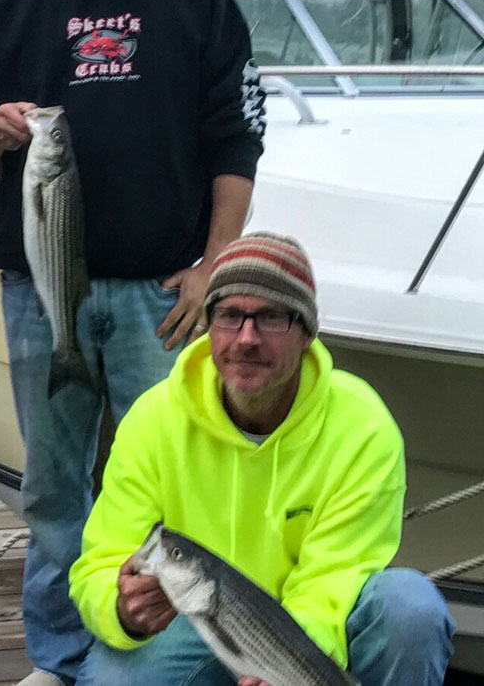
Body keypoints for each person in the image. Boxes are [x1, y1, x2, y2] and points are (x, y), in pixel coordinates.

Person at [0, 0, 265, 683]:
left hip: (163, 294)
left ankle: (175, 652)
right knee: (53, 482)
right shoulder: (3, 7)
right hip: (41, 294)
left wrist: (215, 264)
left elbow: (236, 135)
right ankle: (59, 652)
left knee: (177, 476)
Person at [69, 232, 455, 686]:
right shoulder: (153, 419)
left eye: (271, 318)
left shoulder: (363, 427)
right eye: (229, 315)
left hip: (316, 641)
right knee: (113, 677)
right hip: (195, 627)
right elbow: (102, 562)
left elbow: (334, 578)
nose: (246, 338)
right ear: (208, 325)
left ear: (307, 334)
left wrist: (286, 670)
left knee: (410, 608)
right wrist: (122, 608)